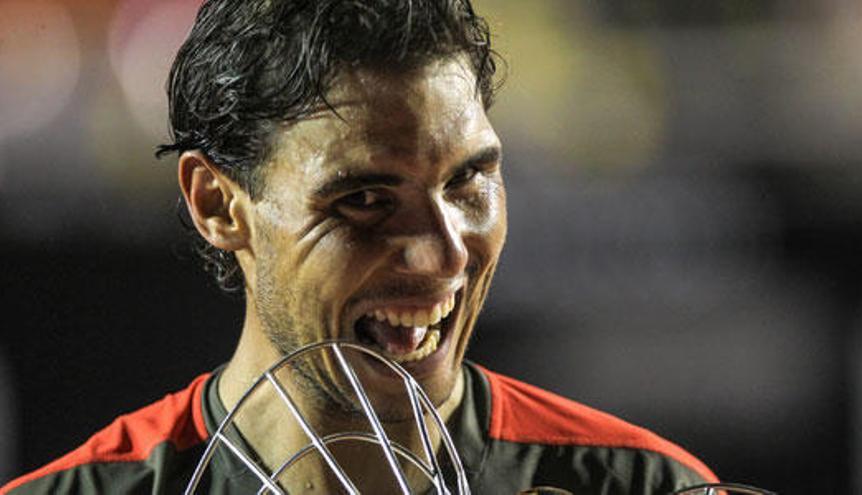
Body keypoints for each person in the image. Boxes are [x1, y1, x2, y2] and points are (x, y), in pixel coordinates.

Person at [2, 0, 718, 493]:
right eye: (366, 202)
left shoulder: (647, 483)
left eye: (469, 183)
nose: (443, 255)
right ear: (217, 204)